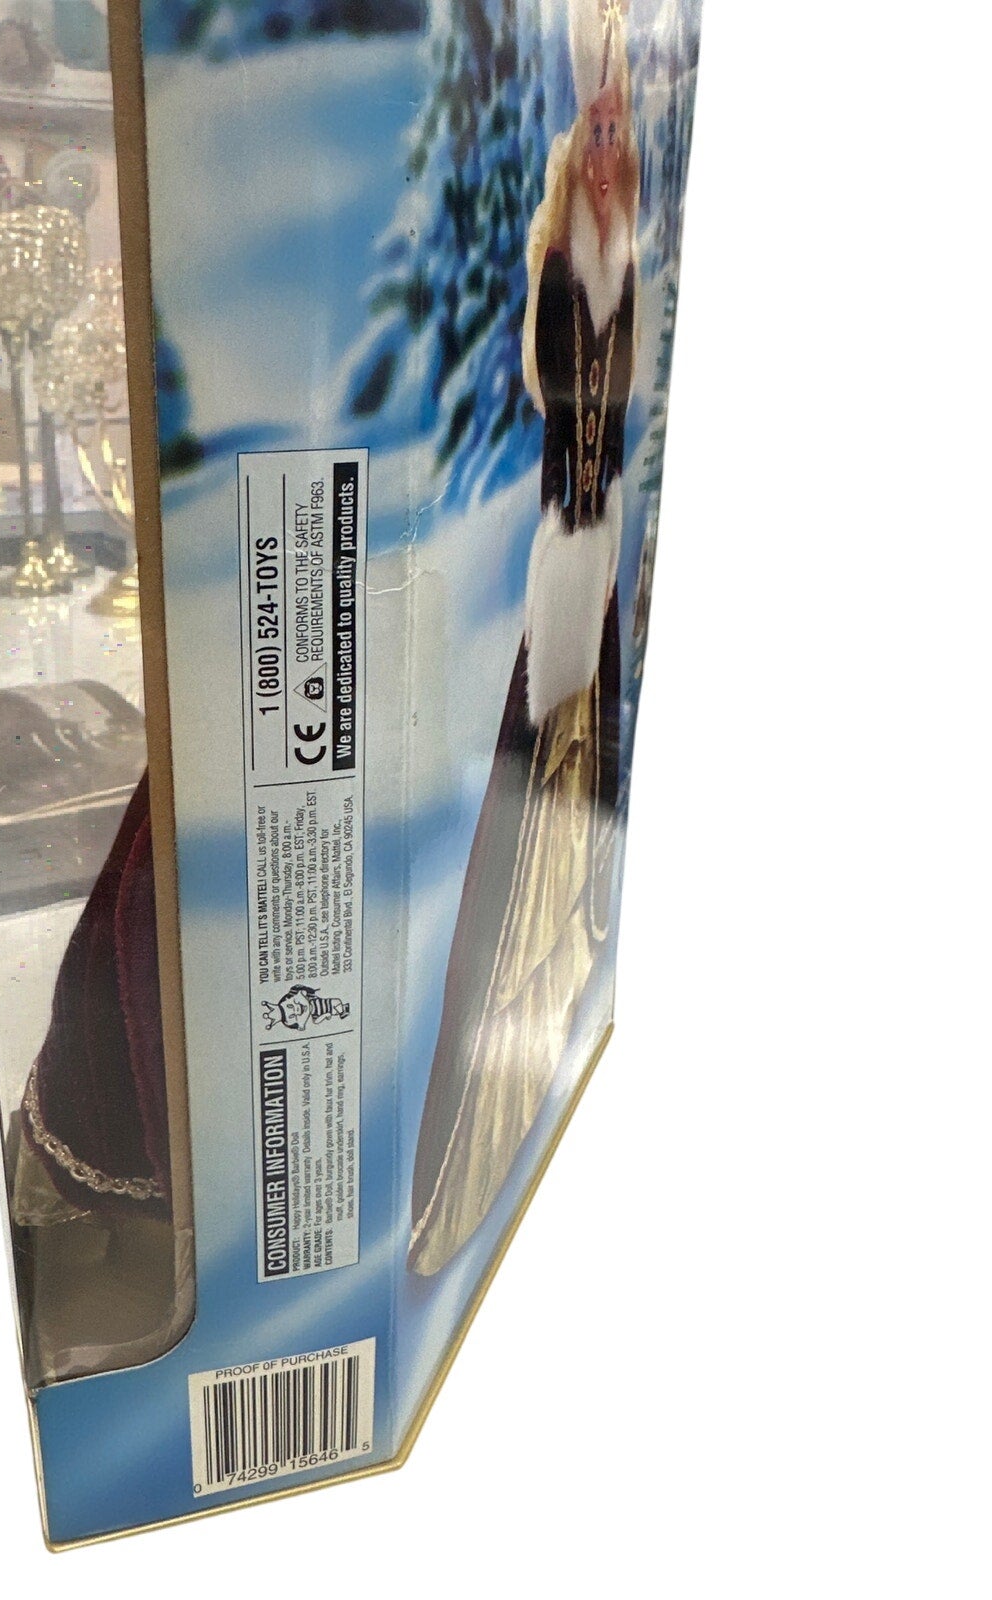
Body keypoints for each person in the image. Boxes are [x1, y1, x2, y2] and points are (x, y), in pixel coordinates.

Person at [408, 0, 638, 1277]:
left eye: (618, 137)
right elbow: (568, 412)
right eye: (593, 136)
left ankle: (565, 1001)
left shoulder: (618, 267)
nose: (608, 158)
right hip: (562, 567)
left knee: (580, 793)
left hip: (593, 569)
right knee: (529, 796)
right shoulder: (566, 275)